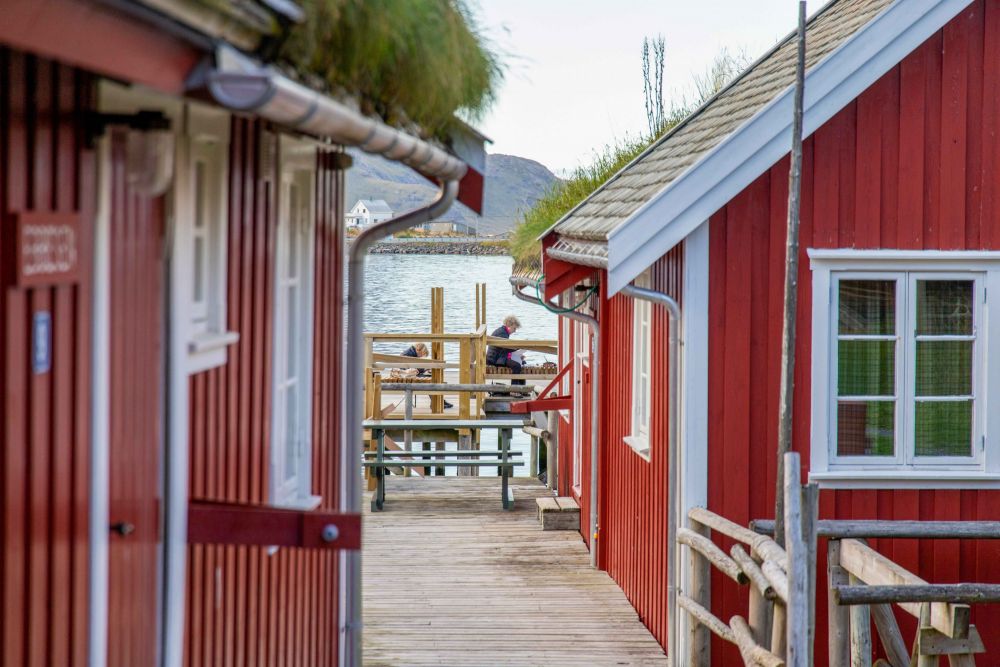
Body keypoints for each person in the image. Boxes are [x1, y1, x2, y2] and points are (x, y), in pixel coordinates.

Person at [401, 342, 452, 409]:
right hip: (406, 378)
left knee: (432, 377)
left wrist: (425, 370)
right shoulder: (408, 354)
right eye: (422, 354)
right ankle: (437, 402)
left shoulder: (410, 353)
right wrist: (424, 369)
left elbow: (414, 368)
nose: (421, 357)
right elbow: (407, 370)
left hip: (409, 376)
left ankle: (440, 401)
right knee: (431, 379)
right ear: (419, 350)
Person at [487, 315, 525, 386]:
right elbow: (506, 348)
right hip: (494, 359)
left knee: (522, 362)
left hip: (499, 356)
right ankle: (514, 390)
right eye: (514, 328)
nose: (515, 331)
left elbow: (505, 348)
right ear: (509, 325)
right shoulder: (502, 333)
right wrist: (518, 351)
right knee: (516, 366)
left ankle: (521, 388)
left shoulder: (503, 331)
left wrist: (518, 355)